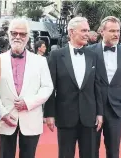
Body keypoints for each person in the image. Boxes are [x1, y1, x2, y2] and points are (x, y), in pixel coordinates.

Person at [44, 17, 103, 158]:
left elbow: (97, 86)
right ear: (71, 32)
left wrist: (100, 112)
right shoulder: (56, 56)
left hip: (89, 116)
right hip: (65, 116)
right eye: (83, 30)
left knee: (89, 154)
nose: (87, 34)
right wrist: (49, 114)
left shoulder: (93, 56)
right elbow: (50, 87)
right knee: (65, 155)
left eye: (88, 31)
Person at [0, 18, 53, 158]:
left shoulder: (40, 61)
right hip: (5, 118)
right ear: (8, 34)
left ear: (28, 37)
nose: (17, 37)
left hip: (31, 118)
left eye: (22, 34)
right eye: (14, 33)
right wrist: (2, 112)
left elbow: (47, 87)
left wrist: (28, 103)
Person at [88, 16, 121, 158]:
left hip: (116, 111)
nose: (116, 34)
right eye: (112, 30)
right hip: (93, 109)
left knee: (113, 152)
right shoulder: (89, 52)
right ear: (102, 31)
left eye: (118, 31)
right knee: (90, 151)